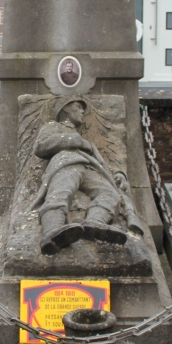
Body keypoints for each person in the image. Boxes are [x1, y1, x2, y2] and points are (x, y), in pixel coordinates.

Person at [30, 96, 145, 253]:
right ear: (66, 109)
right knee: (61, 193)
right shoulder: (54, 126)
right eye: (78, 107)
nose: (82, 111)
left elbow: (101, 162)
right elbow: (41, 146)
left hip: (89, 168)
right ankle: (51, 231)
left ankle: (95, 223)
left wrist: (118, 174)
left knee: (110, 194)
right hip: (66, 162)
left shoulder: (86, 142)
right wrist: (75, 140)